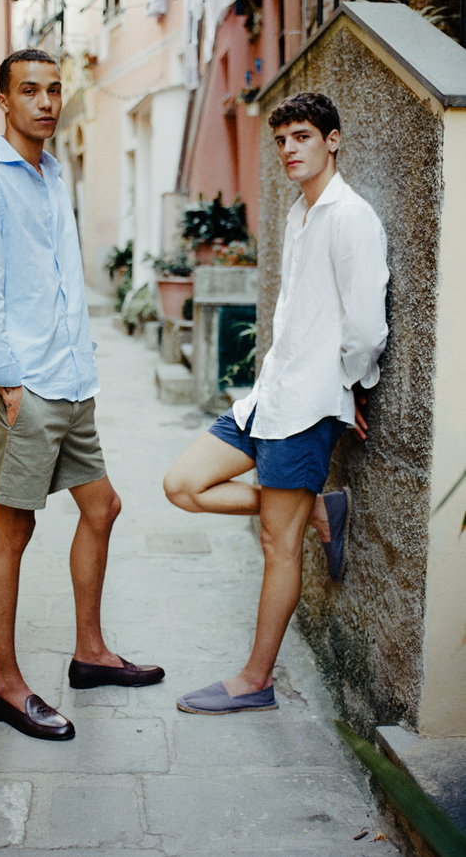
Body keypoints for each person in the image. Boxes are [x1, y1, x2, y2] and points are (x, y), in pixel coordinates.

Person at [0, 48, 164, 741]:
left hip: (73, 380)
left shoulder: (51, 172)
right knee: (15, 527)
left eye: (53, 90)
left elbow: (59, 276)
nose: (45, 101)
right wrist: (7, 382)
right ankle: (5, 687)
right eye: (29, 91)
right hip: (26, 386)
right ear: (2, 102)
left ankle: (90, 654)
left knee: (102, 507)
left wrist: (81, 362)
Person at [164, 92, 388, 716]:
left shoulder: (350, 218)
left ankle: (255, 680)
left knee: (276, 546)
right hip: (269, 397)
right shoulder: (300, 213)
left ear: (333, 140)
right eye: (282, 139)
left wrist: (351, 384)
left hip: (309, 405)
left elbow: (367, 328)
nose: (289, 149)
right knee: (182, 484)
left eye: (302, 138)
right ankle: (311, 506)